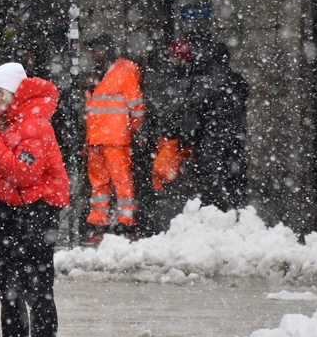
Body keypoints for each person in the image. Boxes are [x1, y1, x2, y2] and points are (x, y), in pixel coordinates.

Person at [0, 62, 69, 337]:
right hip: (6, 212)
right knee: (8, 294)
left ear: (12, 93)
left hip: (36, 213)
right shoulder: (1, 123)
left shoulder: (36, 124)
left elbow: (21, 173)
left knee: (38, 293)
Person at [82, 34, 145, 244]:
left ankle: (125, 223)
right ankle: (100, 222)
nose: (93, 55)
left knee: (120, 182)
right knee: (100, 184)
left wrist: (129, 131)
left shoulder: (122, 74)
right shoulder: (104, 74)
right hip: (98, 139)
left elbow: (137, 108)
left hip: (113, 139)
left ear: (105, 51)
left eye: (95, 51)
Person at [140, 39, 197, 234]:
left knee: (164, 174)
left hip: (174, 138)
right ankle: (168, 220)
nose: (172, 59)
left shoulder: (184, 82)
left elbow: (182, 111)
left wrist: (181, 134)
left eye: (175, 56)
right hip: (167, 137)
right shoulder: (172, 81)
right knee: (164, 176)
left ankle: (169, 220)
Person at [189, 41, 249, 210]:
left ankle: (214, 210)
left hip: (211, 138)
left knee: (210, 180)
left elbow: (196, 109)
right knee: (235, 177)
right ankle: (239, 210)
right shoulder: (237, 80)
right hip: (235, 136)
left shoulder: (204, 82)